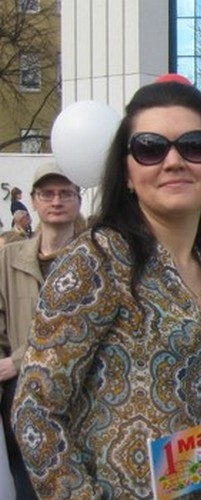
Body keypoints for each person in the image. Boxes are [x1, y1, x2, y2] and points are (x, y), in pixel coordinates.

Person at [12, 79, 201, 500]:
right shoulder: (98, 260)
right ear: (126, 172)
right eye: (150, 148)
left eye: (194, 146)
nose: (173, 161)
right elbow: (34, 412)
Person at [0, 161, 82, 499]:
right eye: (47, 194)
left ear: (78, 199)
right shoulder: (9, 259)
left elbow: (77, 326)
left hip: (78, 401)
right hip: (22, 403)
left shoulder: (93, 258)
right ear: (33, 201)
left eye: (65, 193)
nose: (56, 201)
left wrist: (19, 359)